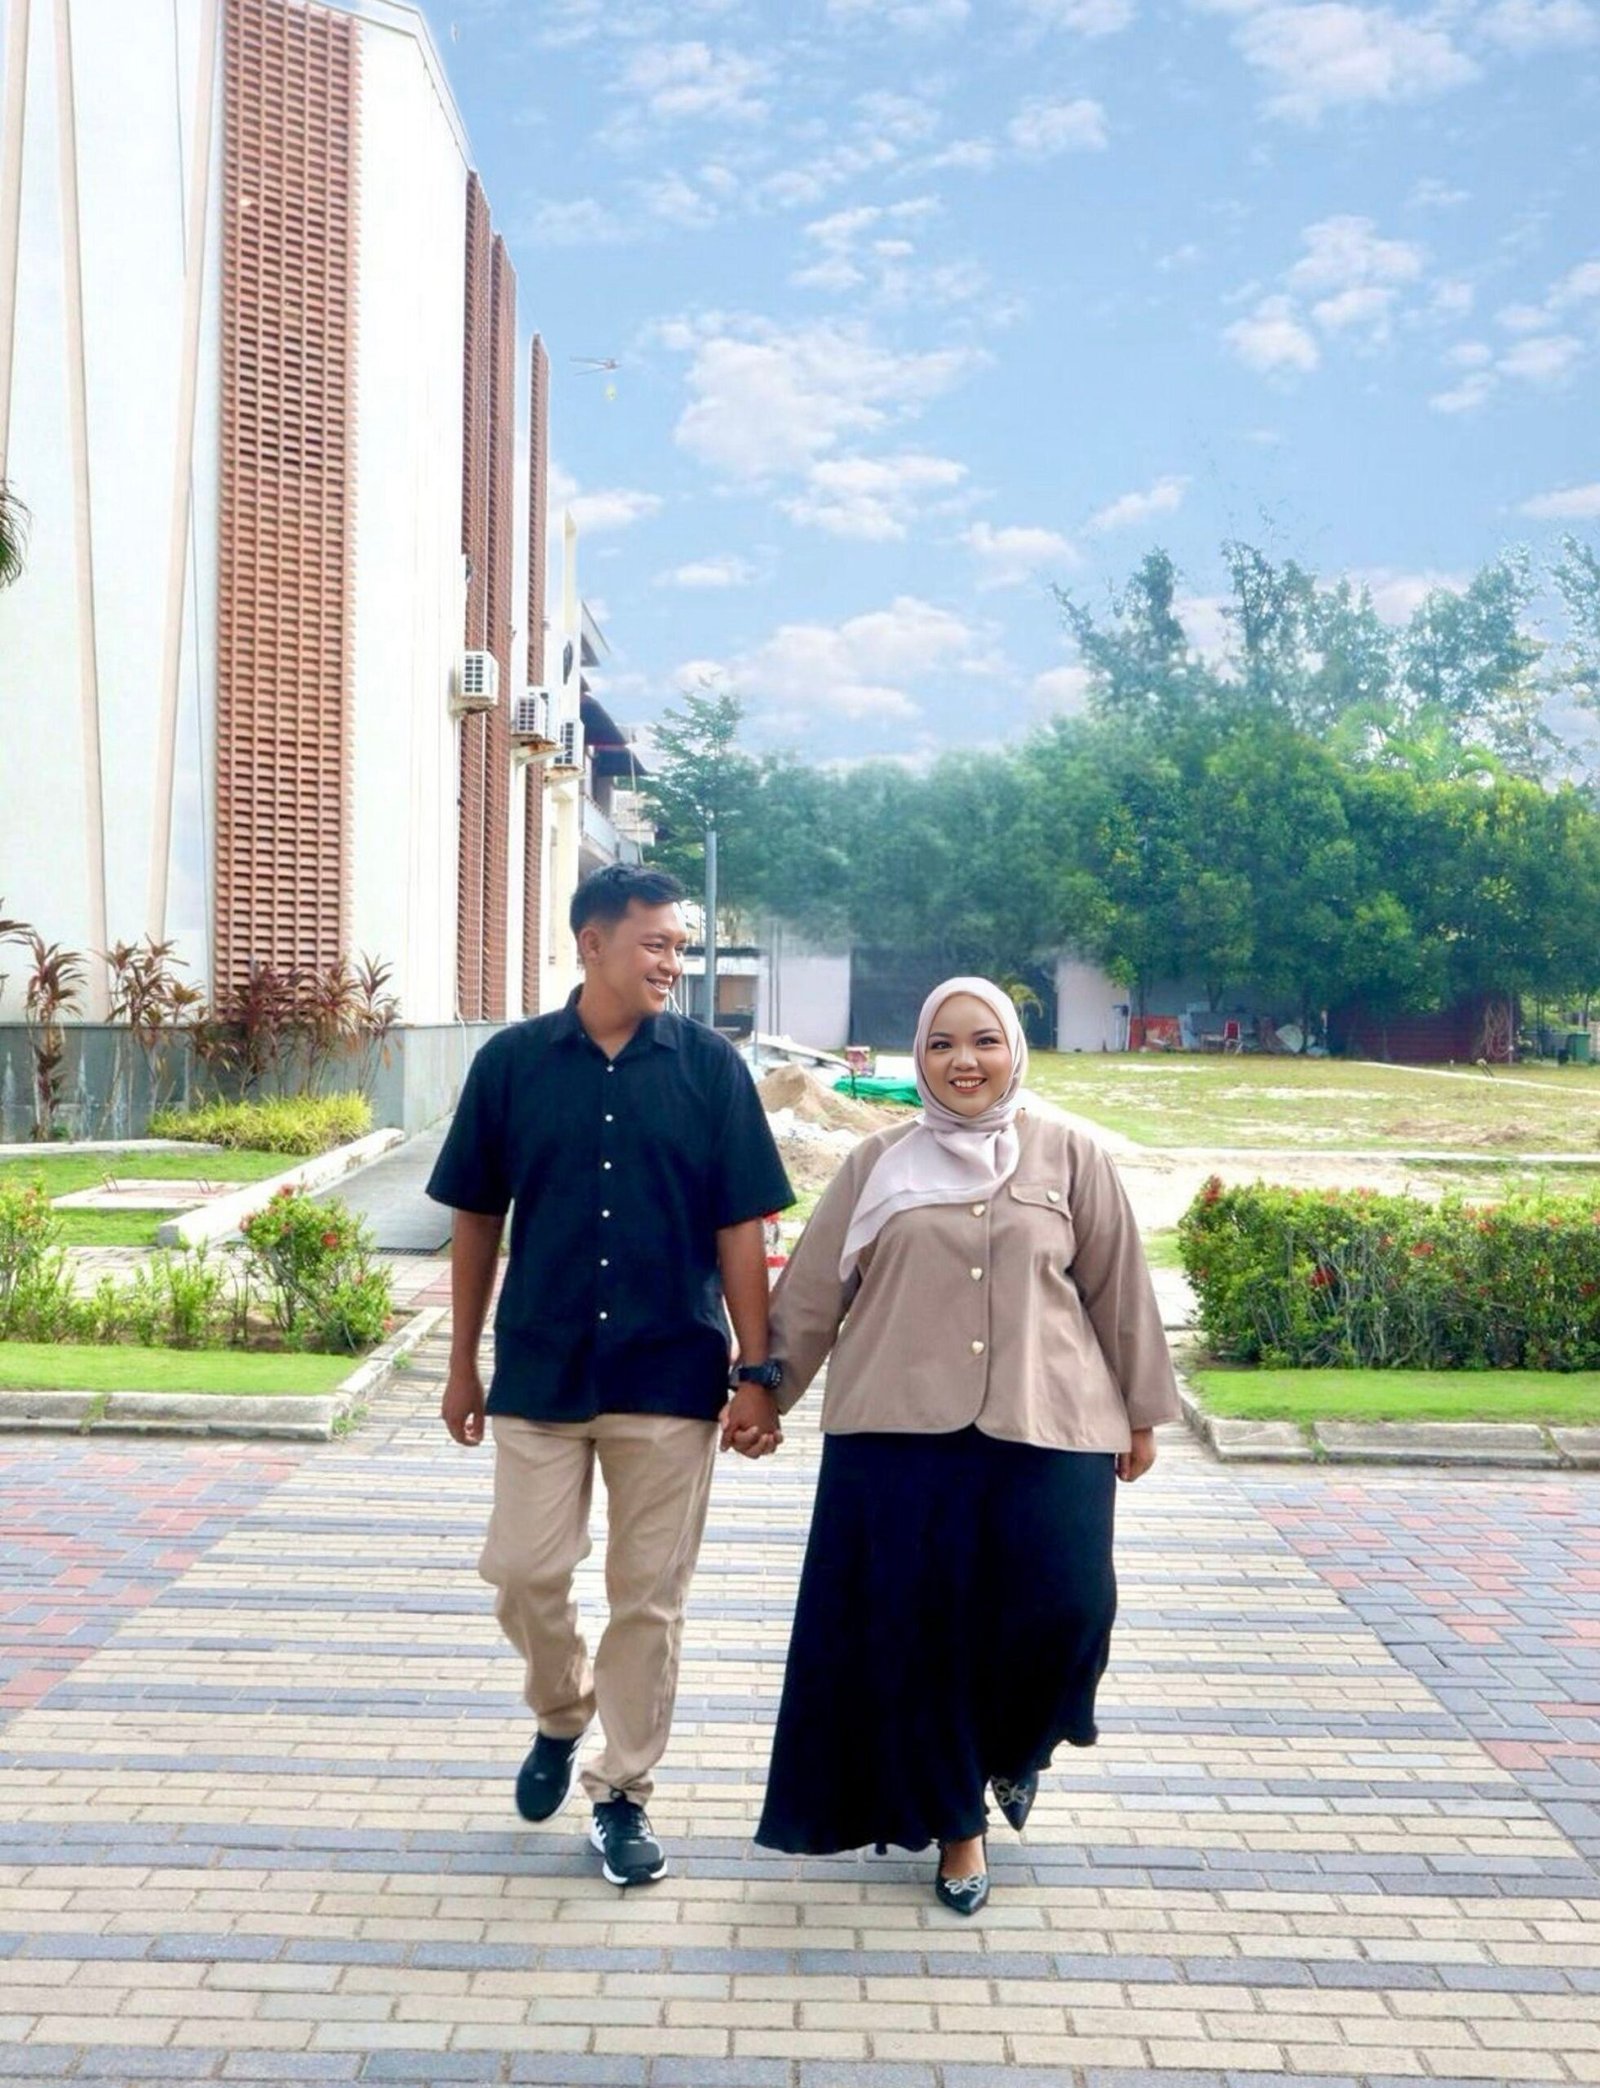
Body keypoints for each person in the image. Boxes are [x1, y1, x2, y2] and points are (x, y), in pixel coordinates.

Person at [750, 976, 1178, 1913]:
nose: (964, 1060)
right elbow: (815, 1290)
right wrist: (764, 1391)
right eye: (942, 1044)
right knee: (928, 1635)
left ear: (1013, 1051)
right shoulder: (877, 1164)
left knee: (1070, 1607)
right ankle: (959, 1828)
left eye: (983, 1040)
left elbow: (1119, 1287)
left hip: (1051, 1419)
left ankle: (1017, 1751)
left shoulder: (1070, 1155)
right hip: (899, 1436)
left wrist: (1142, 1412)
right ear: (919, 1058)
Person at [428, 864, 792, 1887]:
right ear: (592, 944)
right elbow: (475, 1220)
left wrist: (756, 1372)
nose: (674, 961)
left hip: (669, 1374)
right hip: (540, 1369)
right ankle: (560, 1710)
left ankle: (622, 1791)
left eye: (681, 945)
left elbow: (743, 1228)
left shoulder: (711, 1070)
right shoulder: (510, 1065)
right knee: (522, 1571)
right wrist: (460, 1364)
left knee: (649, 1601)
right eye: (655, 943)